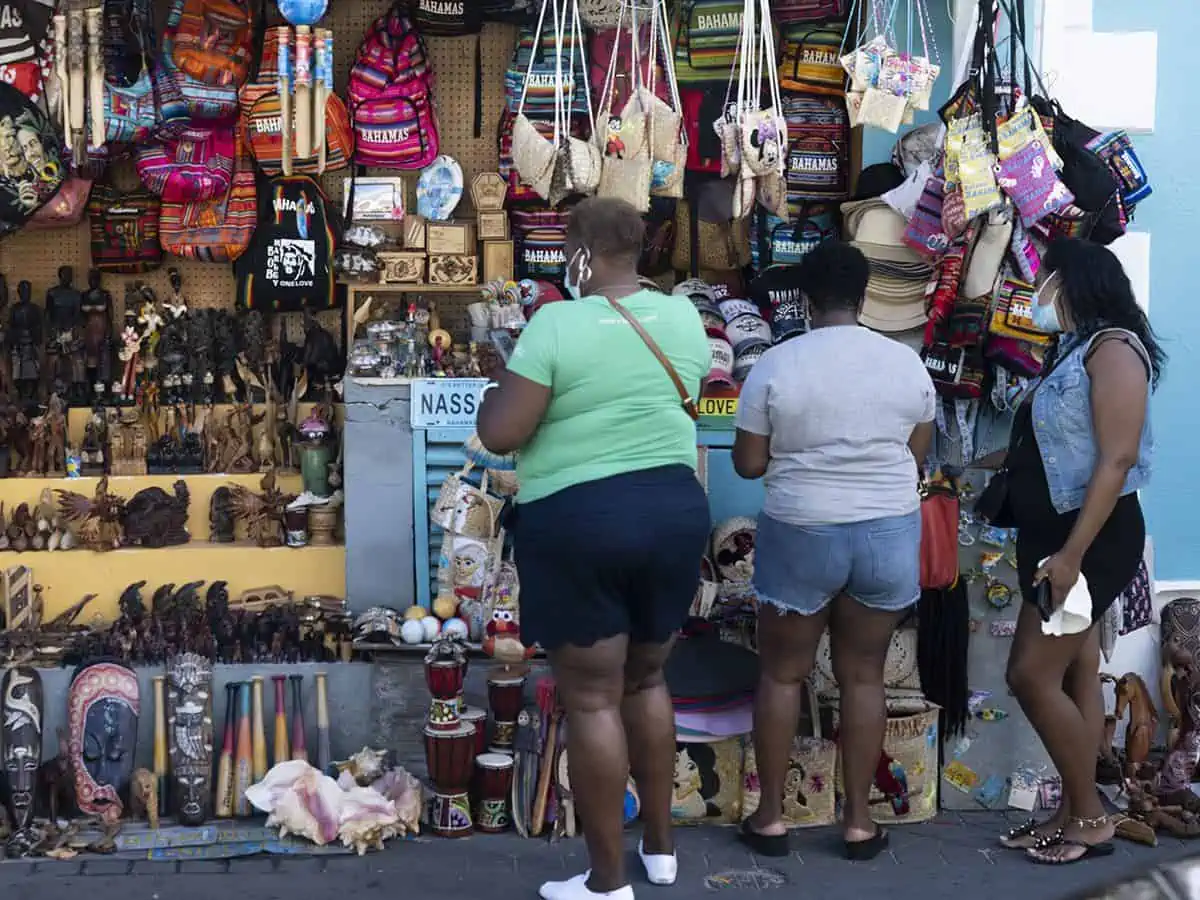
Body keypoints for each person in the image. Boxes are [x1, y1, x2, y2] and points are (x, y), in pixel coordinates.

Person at [476, 196, 711, 900]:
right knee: (646, 680)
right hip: (673, 512)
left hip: (582, 519)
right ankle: (662, 852)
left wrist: (501, 381)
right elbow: (684, 399)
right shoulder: (682, 315)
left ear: (579, 252)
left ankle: (607, 884)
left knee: (593, 700)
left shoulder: (556, 321)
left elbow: (501, 434)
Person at [731, 240, 935, 861]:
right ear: (866, 293)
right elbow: (916, 454)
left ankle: (770, 819)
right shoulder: (907, 364)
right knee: (863, 676)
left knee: (782, 673)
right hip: (886, 533)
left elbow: (748, 464)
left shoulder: (775, 364)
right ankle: (856, 824)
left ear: (807, 298)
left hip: (802, 529)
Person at [999, 238, 1164, 865]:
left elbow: (1117, 458)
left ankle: (1092, 816)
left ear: (1073, 283)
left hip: (1088, 541)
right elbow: (1059, 447)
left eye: (1045, 282)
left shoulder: (1115, 349)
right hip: (1057, 535)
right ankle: (1072, 812)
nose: (1037, 294)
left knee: (1029, 674)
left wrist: (1070, 557)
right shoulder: (1071, 352)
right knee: (1070, 674)